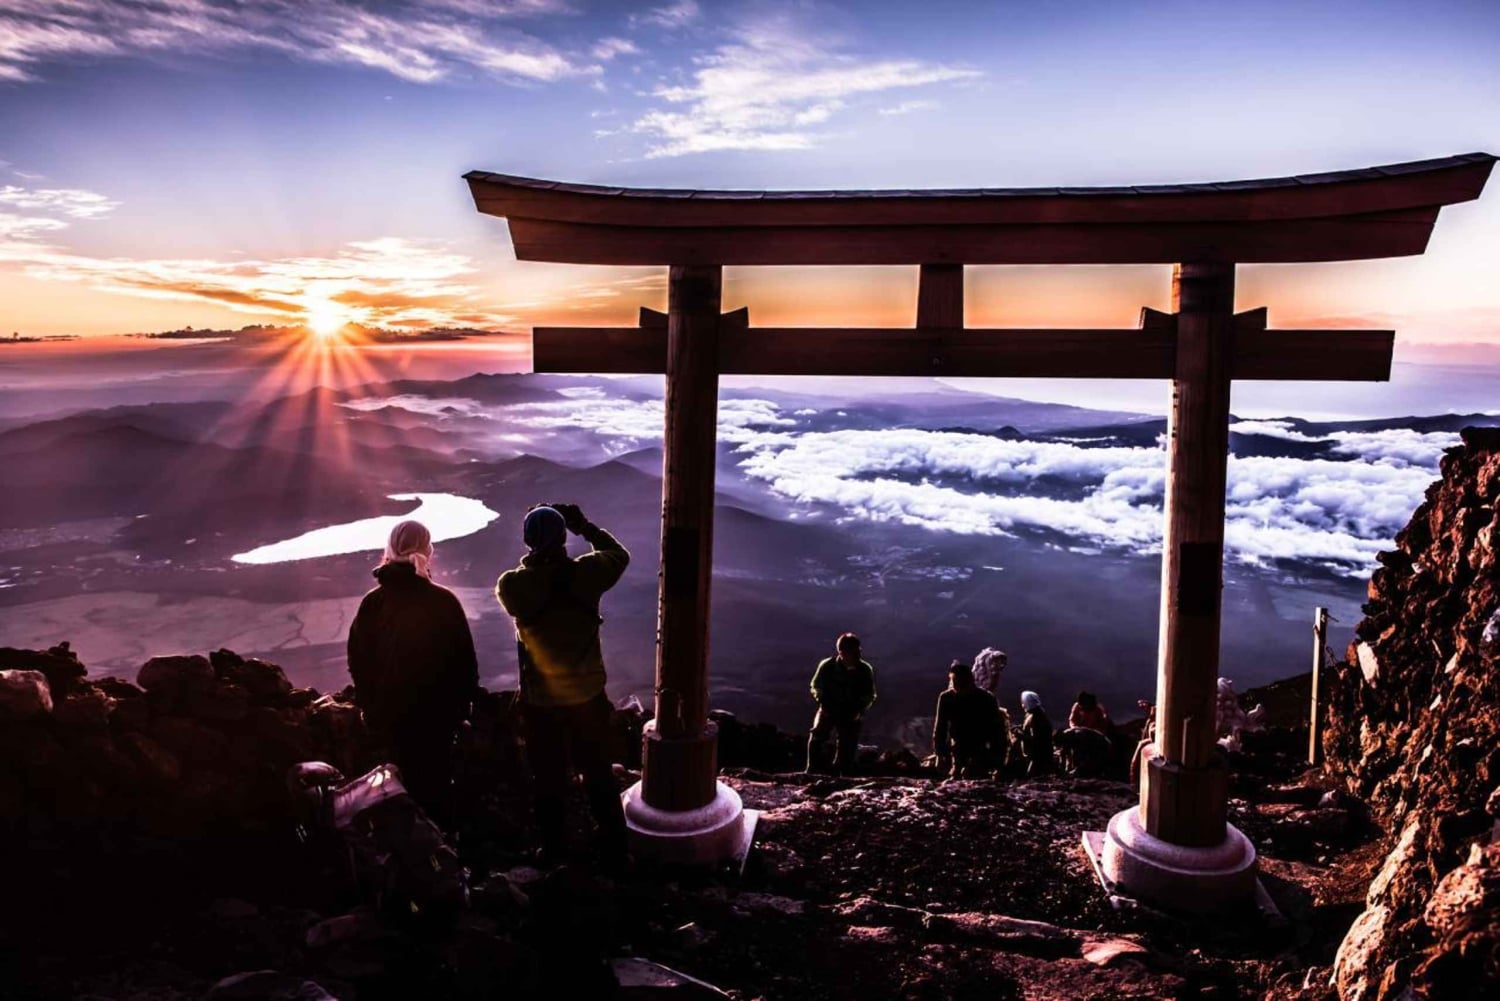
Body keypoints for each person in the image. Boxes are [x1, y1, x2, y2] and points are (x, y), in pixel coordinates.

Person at [496, 502, 630, 870]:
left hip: (541, 703)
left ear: (527, 541)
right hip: (587, 696)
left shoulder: (513, 585)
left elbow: (524, 587)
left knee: (548, 777)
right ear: (562, 538)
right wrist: (583, 526)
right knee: (598, 771)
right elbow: (618, 554)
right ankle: (616, 846)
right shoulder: (588, 574)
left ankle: (555, 852)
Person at [347, 520, 478, 830]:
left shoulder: (374, 603)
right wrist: (461, 711)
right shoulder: (443, 601)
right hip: (438, 719)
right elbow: (464, 664)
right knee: (437, 790)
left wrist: (371, 708)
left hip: (390, 719)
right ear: (427, 551)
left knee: (397, 791)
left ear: (389, 551)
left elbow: (359, 661)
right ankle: (442, 858)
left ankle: (406, 862)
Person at [806, 633, 877, 775]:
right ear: (842, 653)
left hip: (851, 711)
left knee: (848, 744)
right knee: (817, 737)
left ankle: (844, 773)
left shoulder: (864, 669)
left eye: (858, 651)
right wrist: (824, 703)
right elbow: (816, 686)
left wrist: (859, 710)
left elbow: (870, 694)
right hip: (829, 708)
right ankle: (812, 770)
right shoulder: (827, 666)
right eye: (854, 652)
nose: (857, 655)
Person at [932, 660, 1006, 779]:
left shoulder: (986, 699)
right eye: (954, 682)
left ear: (970, 682)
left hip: (980, 749)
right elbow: (941, 728)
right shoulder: (946, 698)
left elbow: (997, 733)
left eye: (959, 683)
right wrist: (939, 755)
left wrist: (999, 763)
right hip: (957, 749)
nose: (956, 686)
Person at [1017, 690, 1055, 777]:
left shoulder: (1037, 717)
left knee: (1034, 775)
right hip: (1033, 754)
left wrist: (1020, 735)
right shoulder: (1033, 714)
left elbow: (1037, 739)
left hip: (1039, 756)